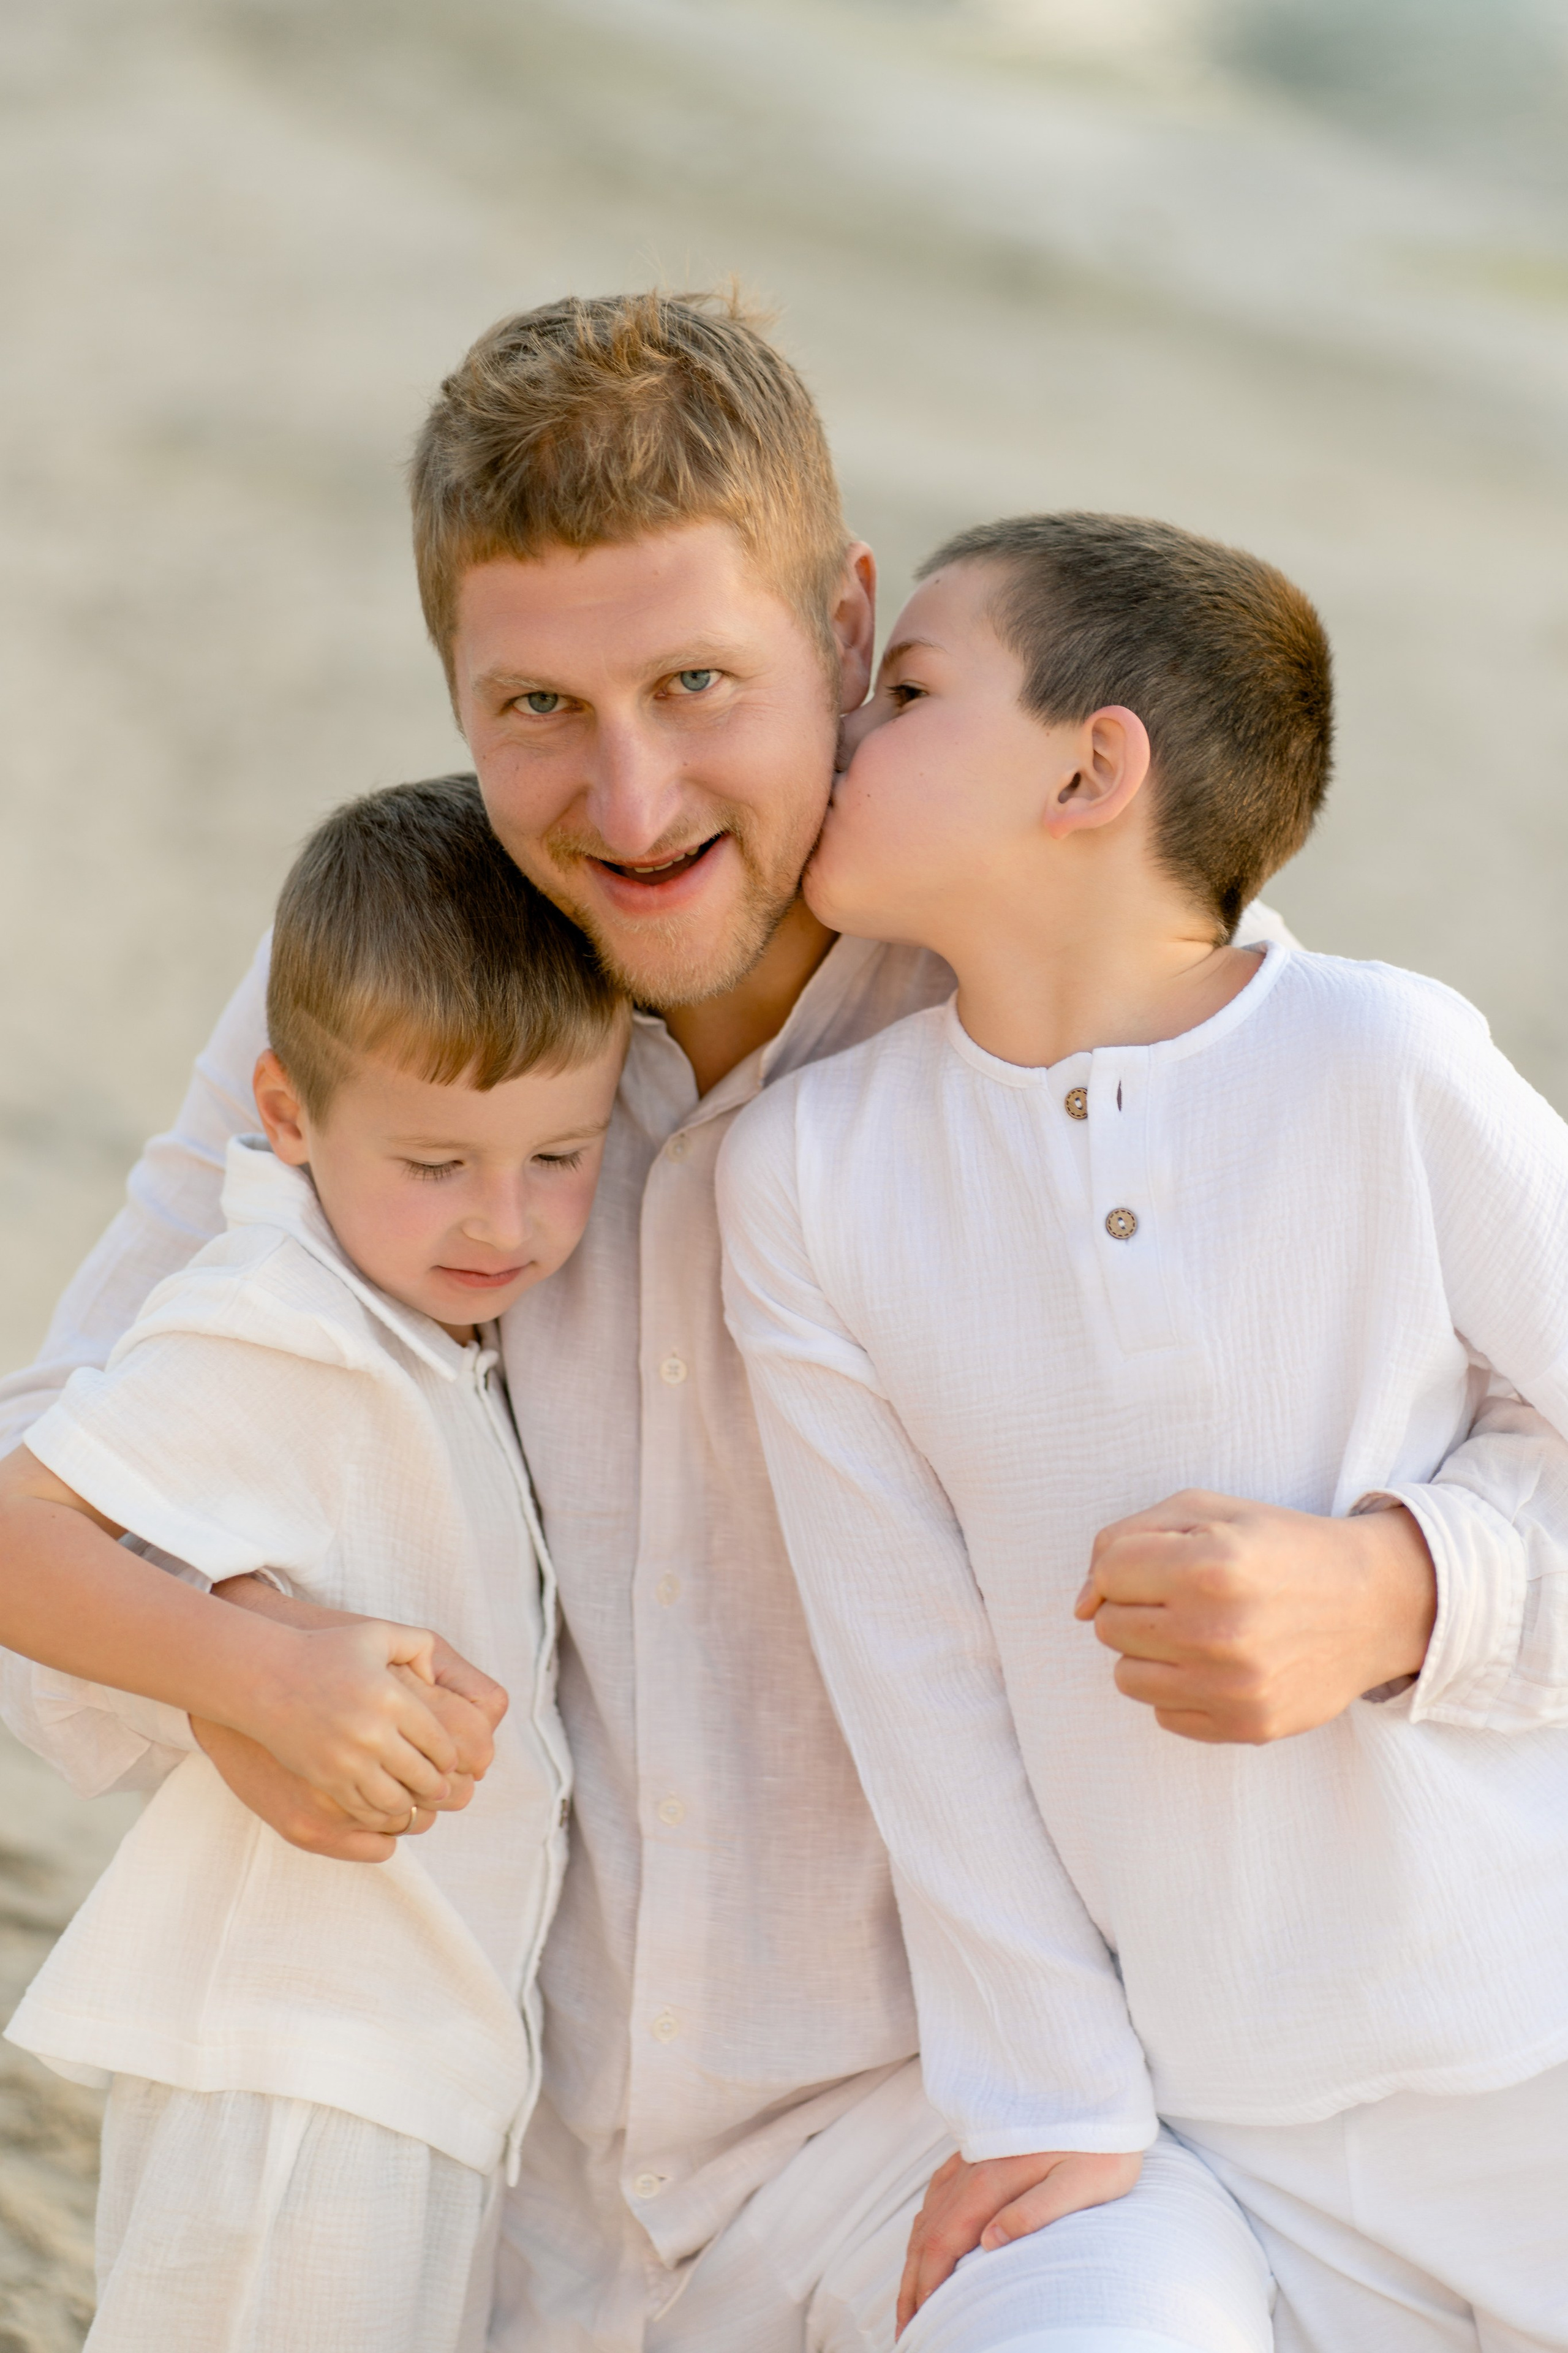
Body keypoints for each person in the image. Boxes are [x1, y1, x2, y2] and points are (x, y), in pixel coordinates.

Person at [2, 295, 1565, 2352]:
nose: (629, 794)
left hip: (938, 2155)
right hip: (487, 2132)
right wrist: (246, 1664)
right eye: (536, 706)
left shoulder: (1073, 992)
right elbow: (64, 1458)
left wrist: (1394, 1582)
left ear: (846, 627)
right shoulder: (392, 1013)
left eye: (696, 683)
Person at [717, 512, 1568, 2352]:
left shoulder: (1384, 1062)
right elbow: (916, 1687)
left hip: (1532, 2057)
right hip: (1188, 2145)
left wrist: (1413, 1584)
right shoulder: (808, 1180)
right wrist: (1053, 2104)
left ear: (1096, 768)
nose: (845, 730)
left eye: (914, 689)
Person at [0, 774, 625, 2351]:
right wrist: (255, 1667)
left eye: (561, 1155)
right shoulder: (272, 1311)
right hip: (293, 2072)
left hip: (412, 2062)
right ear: (284, 1115)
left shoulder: (432, 1320)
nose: (506, 1221)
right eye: (436, 1164)